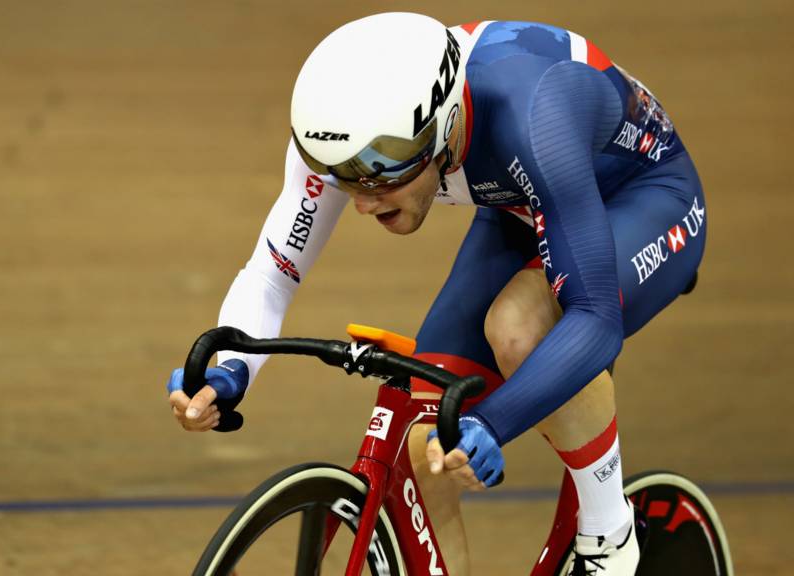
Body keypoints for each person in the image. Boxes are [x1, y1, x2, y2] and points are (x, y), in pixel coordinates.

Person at [167, 13, 705, 576]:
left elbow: (594, 319)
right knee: (428, 445)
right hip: (522, 203)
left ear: (446, 130)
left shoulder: (531, 116)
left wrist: (493, 422)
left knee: (518, 328)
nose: (362, 201)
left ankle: (610, 536)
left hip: (643, 197)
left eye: (382, 175)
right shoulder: (345, 135)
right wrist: (230, 372)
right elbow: (273, 274)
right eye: (345, 180)